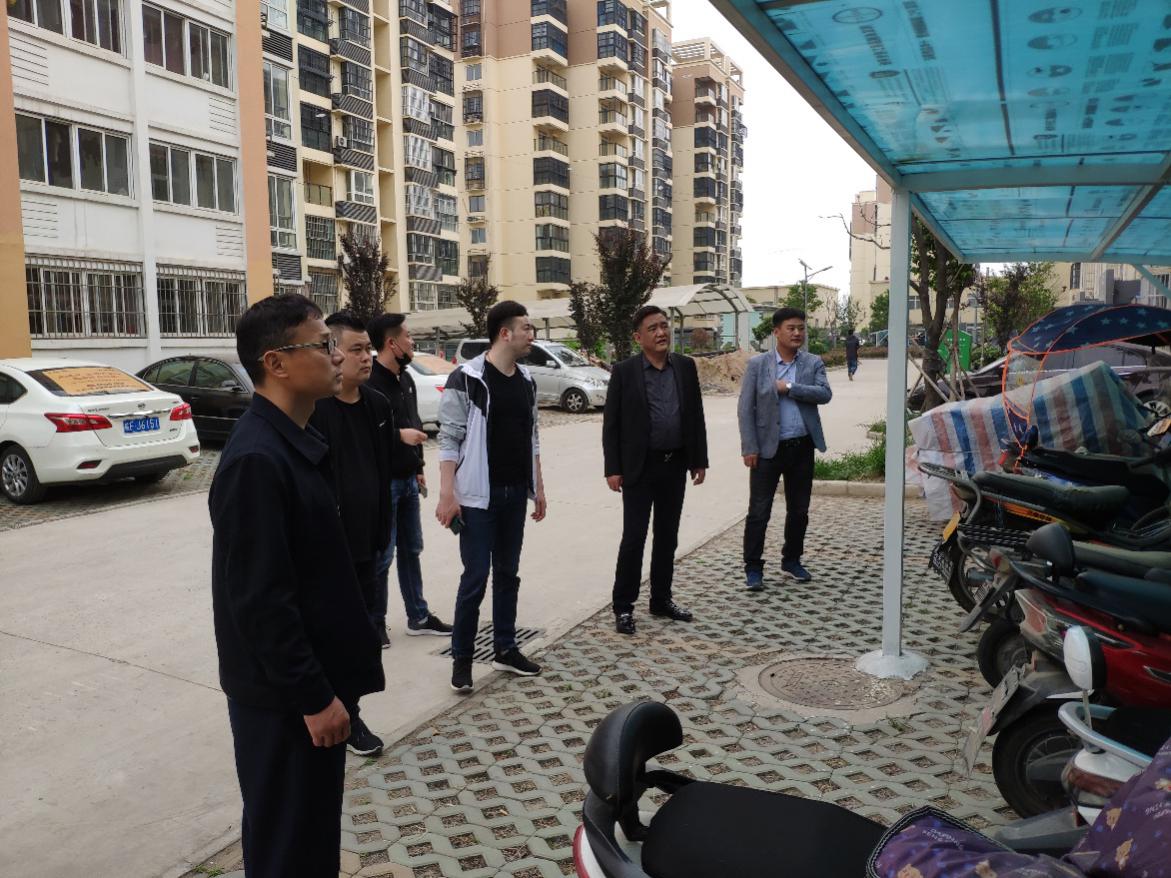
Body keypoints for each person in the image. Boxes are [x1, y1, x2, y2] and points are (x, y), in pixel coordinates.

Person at [209, 294, 384, 878]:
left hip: (307, 687)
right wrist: (313, 697)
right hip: (284, 702)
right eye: (323, 345)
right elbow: (260, 601)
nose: (337, 357)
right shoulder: (258, 460)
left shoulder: (292, 441)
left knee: (305, 841)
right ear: (276, 363)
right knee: (288, 848)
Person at [436, 301, 547, 692]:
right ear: (505, 333)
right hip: (476, 497)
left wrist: (538, 486)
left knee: (508, 574)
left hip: (514, 493)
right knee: (476, 577)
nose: (531, 335)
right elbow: (448, 439)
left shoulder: (526, 380)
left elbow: (532, 435)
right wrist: (446, 494)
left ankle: (505, 648)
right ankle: (462, 658)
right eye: (526, 328)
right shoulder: (467, 378)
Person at [307, 311, 394, 758]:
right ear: (334, 352)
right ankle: (329, 711)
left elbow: (383, 472)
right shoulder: (316, 411)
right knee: (332, 639)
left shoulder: (377, 406)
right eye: (357, 349)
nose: (366, 357)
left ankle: (352, 713)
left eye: (369, 349)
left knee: (363, 639)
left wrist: (383, 534)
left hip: (369, 548)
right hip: (331, 553)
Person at [603, 305, 709, 636]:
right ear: (639, 338)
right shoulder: (625, 372)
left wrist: (699, 459)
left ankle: (661, 599)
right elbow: (612, 424)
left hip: (674, 464)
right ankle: (623, 606)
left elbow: (695, 415)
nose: (662, 332)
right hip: (640, 467)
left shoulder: (685, 367)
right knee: (634, 538)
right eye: (653, 328)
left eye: (664, 325)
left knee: (667, 537)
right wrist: (613, 468)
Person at [366, 313, 452, 643]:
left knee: (412, 549)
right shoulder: (369, 384)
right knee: (383, 556)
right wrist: (398, 436)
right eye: (407, 336)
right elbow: (364, 435)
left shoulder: (406, 379)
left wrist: (419, 468)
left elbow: (413, 422)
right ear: (392, 343)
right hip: (383, 484)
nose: (412, 341)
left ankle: (418, 616)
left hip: (408, 480)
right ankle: (375, 623)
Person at [738, 307, 832, 590]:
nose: (797, 333)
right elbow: (745, 409)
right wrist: (749, 446)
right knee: (759, 511)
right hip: (768, 450)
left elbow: (824, 394)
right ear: (776, 332)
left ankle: (791, 560)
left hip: (802, 447)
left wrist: (789, 386)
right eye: (791, 328)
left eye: (801, 328)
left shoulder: (813, 363)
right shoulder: (758, 365)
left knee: (799, 510)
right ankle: (753, 568)